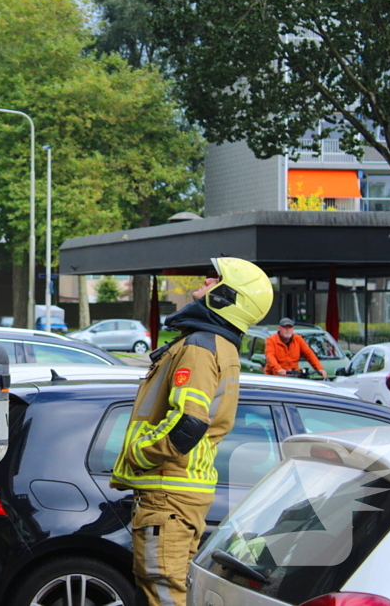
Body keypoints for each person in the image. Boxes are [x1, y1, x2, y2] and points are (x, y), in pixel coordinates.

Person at [110, 257, 273, 606]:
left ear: (227, 297)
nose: (205, 282)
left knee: (163, 594)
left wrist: (140, 453)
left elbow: (190, 422)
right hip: (178, 492)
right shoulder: (215, 345)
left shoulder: (200, 347)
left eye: (214, 280)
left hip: (168, 491)